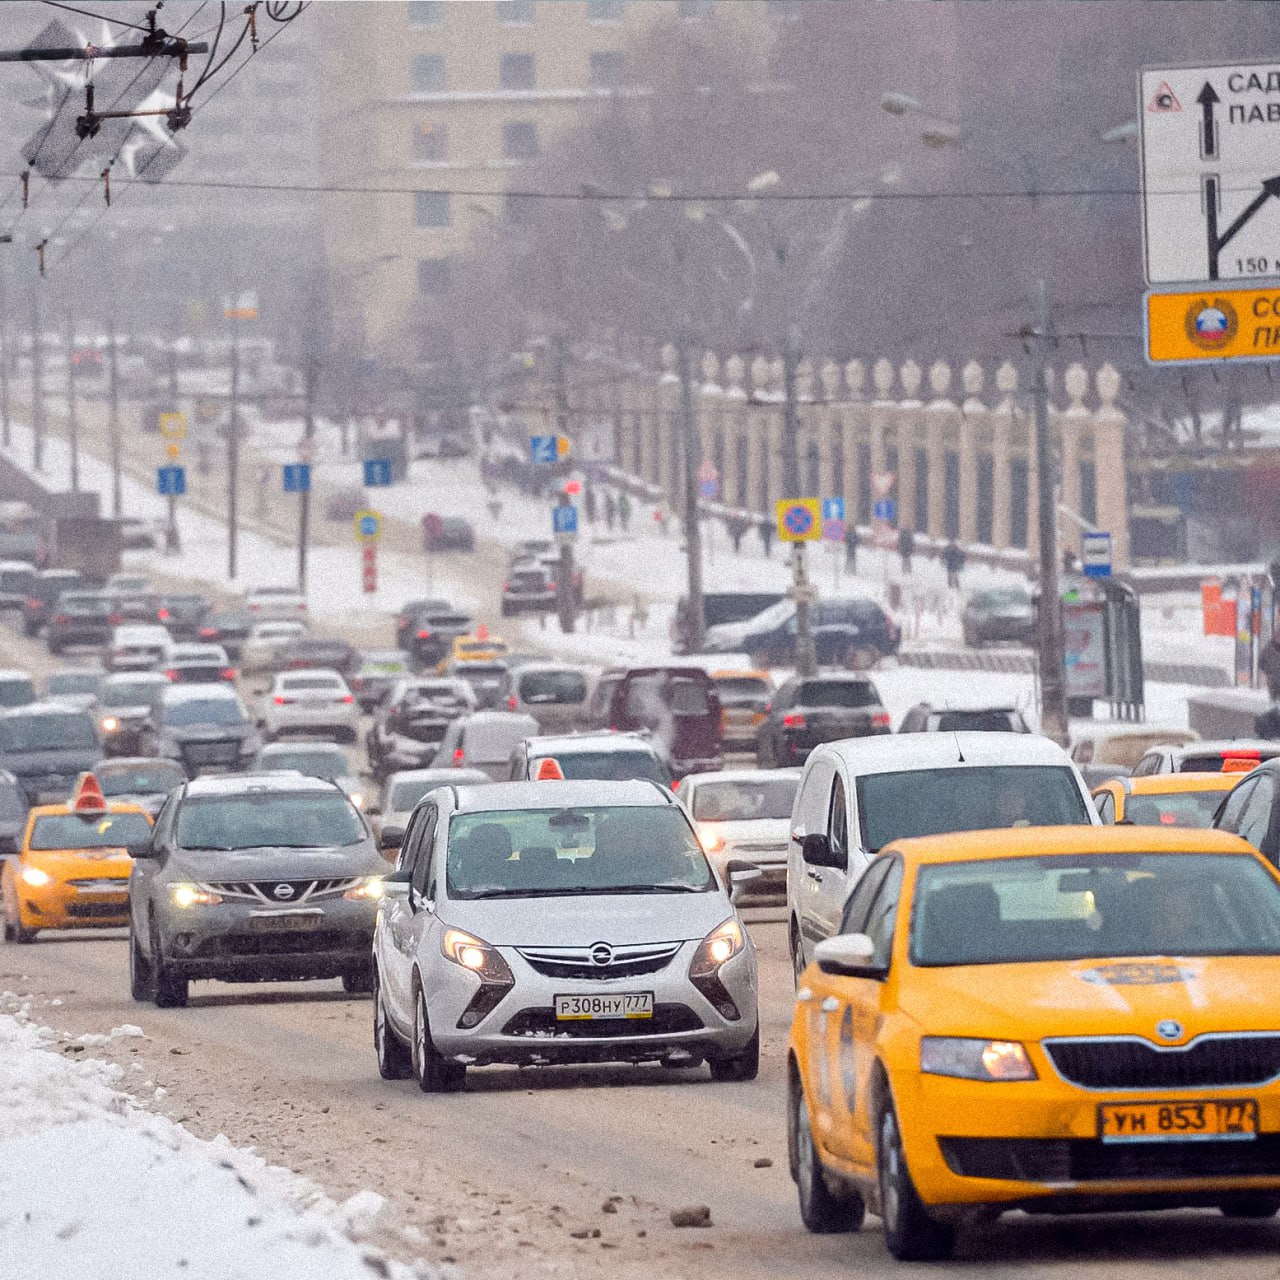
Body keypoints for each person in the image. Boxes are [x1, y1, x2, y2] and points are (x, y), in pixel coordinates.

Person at [1261, 635, 1280, 701]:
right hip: (1273, 680)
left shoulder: (1268, 647)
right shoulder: (1268, 647)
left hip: (1273, 679)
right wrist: (1268, 672)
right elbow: (1261, 661)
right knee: (1273, 700)